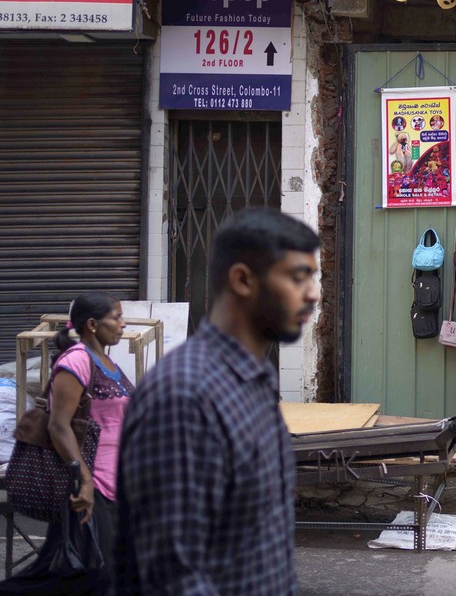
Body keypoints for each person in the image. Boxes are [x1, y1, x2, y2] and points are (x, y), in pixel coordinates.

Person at [115, 208, 319, 596]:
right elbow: (173, 576)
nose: (313, 294)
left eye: (313, 277)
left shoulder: (253, 381)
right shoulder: (184, 397)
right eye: (297, 277)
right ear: (242, 279)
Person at [1, 293, 133, 595]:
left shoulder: (108, 362)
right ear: (92, 325)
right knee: (95, 571)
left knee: (72, 570)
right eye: (116, 317)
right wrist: (83, 479)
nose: (123, 324)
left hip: (116, 483)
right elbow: (58, 425)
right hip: (91, 483)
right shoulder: (77, 360)